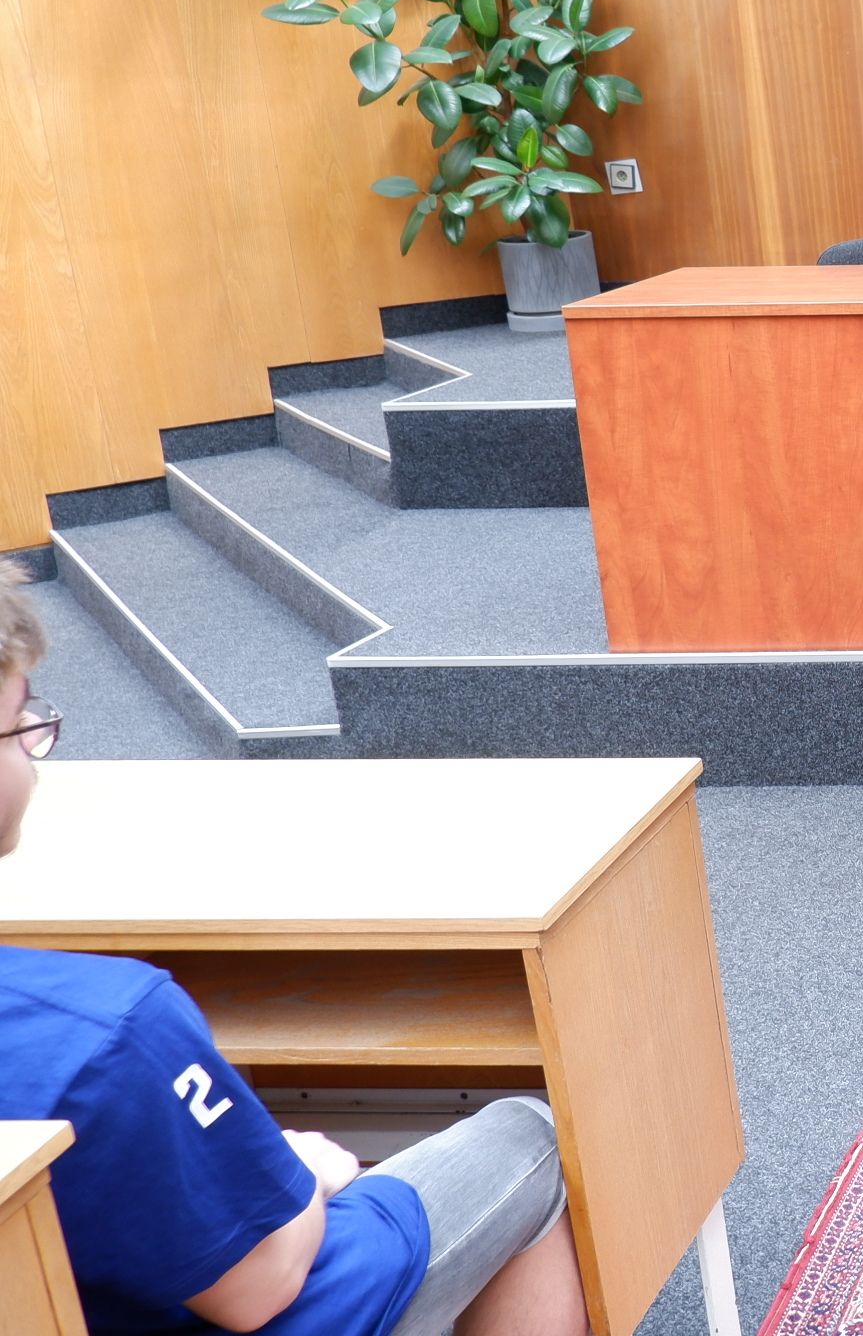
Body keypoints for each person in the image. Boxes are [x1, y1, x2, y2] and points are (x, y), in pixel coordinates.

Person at [0, 559, 588, 1335]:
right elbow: (259, 1287)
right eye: (20, 725)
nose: (33, 751)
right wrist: (308, 1175)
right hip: (254, 1310)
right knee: (530, 1138)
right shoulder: (111, 1031)